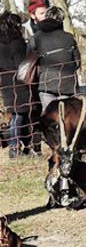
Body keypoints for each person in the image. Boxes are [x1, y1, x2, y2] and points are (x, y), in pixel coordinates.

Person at [0, 11, 39, 158]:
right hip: (20, 81)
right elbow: (22, 62)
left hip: (5, 81)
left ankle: (17, 147)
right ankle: (15, 148)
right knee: (20, 115)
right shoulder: (17, 42)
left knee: (16, 114)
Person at [29, 6, 79, 112]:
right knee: (66, 119)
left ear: (46, 17)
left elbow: (28, 63)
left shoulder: (35, 38)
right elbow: (77, 62)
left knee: (50, 120)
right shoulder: (69, 37)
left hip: (46, 84)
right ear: (61, 20)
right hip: (67, 85)